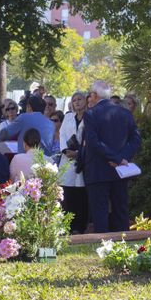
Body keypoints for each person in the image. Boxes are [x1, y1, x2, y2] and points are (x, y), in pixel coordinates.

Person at [82, 80, 142, 233]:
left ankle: (102, 246)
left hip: (98, 170)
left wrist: (117, 159)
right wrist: (122, 158)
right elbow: (135, 139)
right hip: (120, 170)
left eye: (90, 95)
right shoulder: (125, 113)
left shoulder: (90, 114)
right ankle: (124, 244)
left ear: (95, 96)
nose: (89, 98)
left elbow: (93, 143)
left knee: (100, 212)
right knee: (121, 210)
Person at [60, 91, 88, 234]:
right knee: (68, 194)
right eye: (74, 100)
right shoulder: (68, 117)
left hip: (83, 160)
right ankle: (68, 227)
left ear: (85, 101)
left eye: (80, 99)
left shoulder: (90, 117)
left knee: (82, 196)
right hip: (68, 159)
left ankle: (80, 227)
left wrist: (79, 153)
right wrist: (66, 150)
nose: (77, 102)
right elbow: (62, 135)